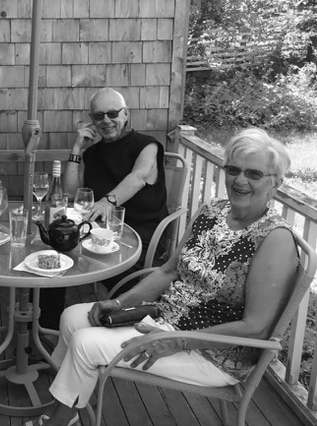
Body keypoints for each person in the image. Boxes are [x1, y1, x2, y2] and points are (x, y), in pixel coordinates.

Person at [25, 127, 299, 426]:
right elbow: (169, 270)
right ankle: (68, 403)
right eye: (233, 170)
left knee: (85, 343)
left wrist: (178, 341)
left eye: (254, 174)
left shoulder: (274, 238)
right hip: (165, 318)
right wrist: (119, 303)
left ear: (275, 183)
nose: (240, 180)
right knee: (73, 317)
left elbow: (256, 327)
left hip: (211, 352)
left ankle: (60, 417)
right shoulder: (213, 211)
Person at [40, 87, 168, 329]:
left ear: (126, 114)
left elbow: (139, 177)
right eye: (99, 116)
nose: (106, 120)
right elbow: (70, 192)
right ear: (92, 121)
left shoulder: (147, 146)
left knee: (92, 260)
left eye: (112, 113)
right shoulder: (94, 152)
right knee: (56, 248)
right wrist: (77, 149)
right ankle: (48, 328)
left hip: (139, 233)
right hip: (97, 230)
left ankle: (116, 330)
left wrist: (106, 202)